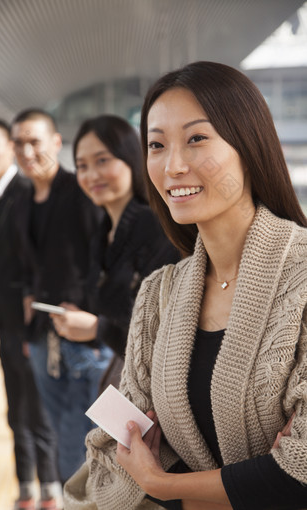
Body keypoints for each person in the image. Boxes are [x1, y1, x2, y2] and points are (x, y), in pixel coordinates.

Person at [66, 62, 307, 510]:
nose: (172, 165)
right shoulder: (160, 292)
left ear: (249, 145)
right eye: (156, 145)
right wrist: (249, 480)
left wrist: (167, 486)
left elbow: (300, 471)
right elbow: (116, 449)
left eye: (196, 139)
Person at [10, 109, 110, 485]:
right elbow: (27, 264)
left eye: (34, 140)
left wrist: (94, 316)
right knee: (60, 437)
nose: (26, 150)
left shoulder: (82, 192)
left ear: (55, 142)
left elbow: (105, 256)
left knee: (81, 448)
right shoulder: (23, 201)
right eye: (18, 142)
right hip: (41, 338)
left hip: (85, 340)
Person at [51, 115, 180, 391]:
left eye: (102, 160)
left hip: (159, 390)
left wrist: (97, 328)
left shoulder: (156, 226)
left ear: (132, 159)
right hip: (124, 374)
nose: (91, 175)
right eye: (82, 166)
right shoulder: (104, 231)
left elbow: (164, 330)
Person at [0, 119, 61, 510]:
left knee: (38, 412)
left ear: (10, 146)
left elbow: (40, 264)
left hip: (31, 327)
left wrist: (32, 325)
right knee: (15, 410)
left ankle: (51, 489)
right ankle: (27, 487)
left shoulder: (25, 191)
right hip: (8, 324)